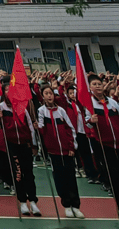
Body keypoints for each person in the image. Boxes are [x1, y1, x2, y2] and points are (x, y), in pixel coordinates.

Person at [85, 74, 119, 221]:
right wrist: (91, 120)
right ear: (89, 88)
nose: (98, 86)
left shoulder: (114, 104)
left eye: (99, 83)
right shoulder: (89, 104)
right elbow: (86, 125)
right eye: (94, 84)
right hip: (106, 146)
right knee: (115, 178)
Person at [37, 85, 83, 219]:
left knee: (71, 178)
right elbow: (41, 129)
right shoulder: (41, 111)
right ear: (43, 96)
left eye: (50, 93)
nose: (49, 96)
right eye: (46, 93)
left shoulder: (61, 111)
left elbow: (70, 129)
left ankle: (76, 205)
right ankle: (67, 205)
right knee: (59, 179)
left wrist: (71, 147)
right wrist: (37, 127)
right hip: (53, 152)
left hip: (67, 151)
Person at [0, 83, 39, 216]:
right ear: (3, 93)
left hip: (25, 144)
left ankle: (33, 201)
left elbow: (30, 126)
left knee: (29, 173)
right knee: (18, 173)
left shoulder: (22, 106)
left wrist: (33, 144)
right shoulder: (1, 108)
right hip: (12, 144)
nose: (9, 92)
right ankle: (22, 201)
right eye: (6, 90)